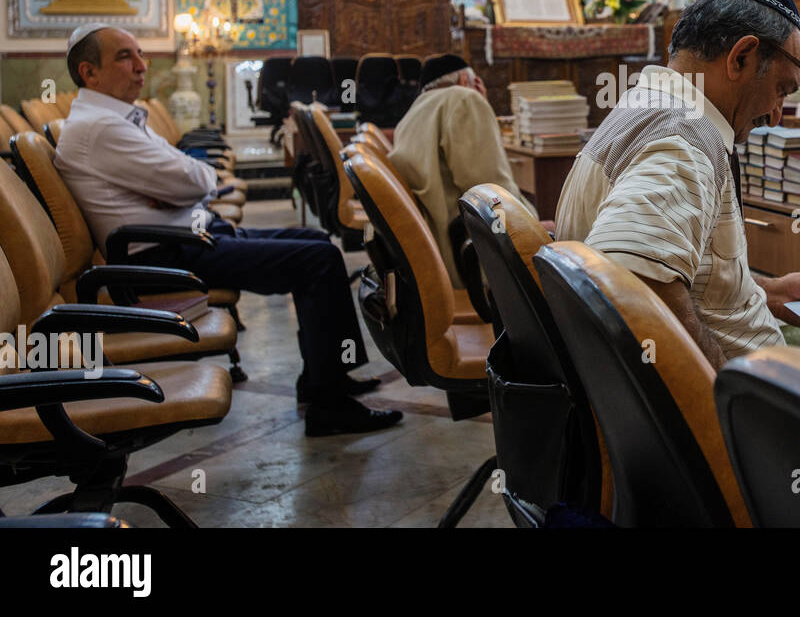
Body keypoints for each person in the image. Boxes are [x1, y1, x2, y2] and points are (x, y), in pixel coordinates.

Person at [53, 23, 402, 437]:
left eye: (140, 53)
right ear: (88, 73)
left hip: (188, 235)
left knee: (314, 241)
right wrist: (187, 188)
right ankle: (328, 406)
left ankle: (324, 380)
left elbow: (191, 178)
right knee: (319, 260)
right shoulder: (101, 128)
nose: (142, 66)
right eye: (124, 57)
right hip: (164, 257)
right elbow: (198, 180)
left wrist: (185, 189)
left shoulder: (113, 118)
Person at [554, 0, 800, 369]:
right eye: (782, 89)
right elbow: (634, 277)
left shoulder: (642, 105)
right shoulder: (686, 135)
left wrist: (768, 293)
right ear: (741, 57)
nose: (776, 116)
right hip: (734, 417)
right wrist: (721, 394)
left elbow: (673, 268)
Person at [388, 54, 538, 288]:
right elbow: (492, 192)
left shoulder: (414, 112)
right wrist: (535, 226)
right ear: (468, 81)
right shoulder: (464, 99)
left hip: (433, 250)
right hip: (472, 257)